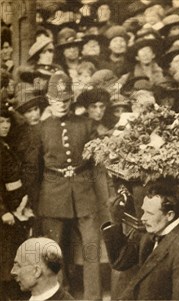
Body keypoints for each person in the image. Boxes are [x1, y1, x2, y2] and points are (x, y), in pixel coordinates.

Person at [32, 71, 102, 300]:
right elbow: (34, 168)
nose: (60, 105)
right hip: (52, 194)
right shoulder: (41, 129)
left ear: (71, 99)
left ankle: (93, 296)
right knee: (54, 251)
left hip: (84, 192)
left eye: (65, 100)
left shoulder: (87, 124)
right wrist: (34, 201)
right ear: (49, 101)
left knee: (92, 247)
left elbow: (98, 162)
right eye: (55, 100)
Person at [102, 184, 179, 300]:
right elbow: (119, 261)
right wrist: (115, 221)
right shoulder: (149, 233)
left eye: (150, 213)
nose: (143, 218)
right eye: (143, 211)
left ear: (169, 215)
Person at [1, 106, 31, 301]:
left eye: (7, 121)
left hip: (15, 207)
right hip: (5, 212)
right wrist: (2, 211)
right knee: (4, 259)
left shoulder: (5, 145)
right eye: (1, 122)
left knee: (10, 255)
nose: (5, 125)